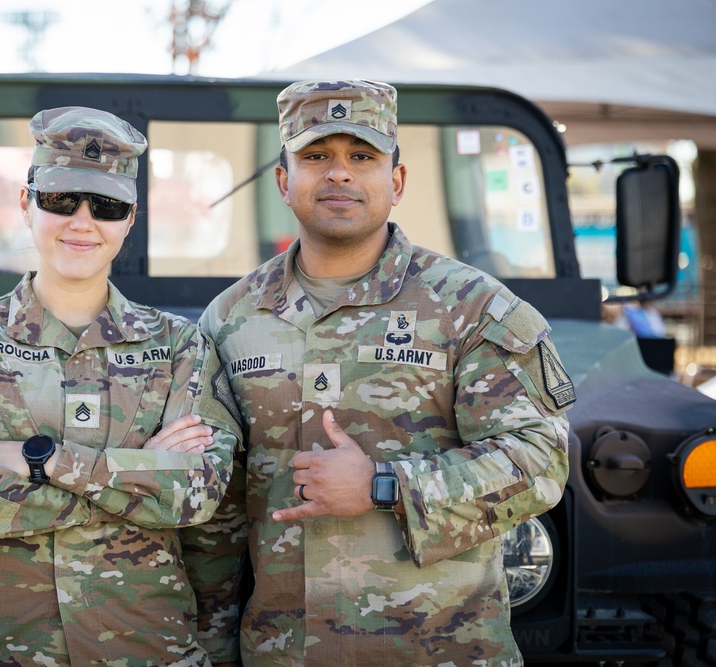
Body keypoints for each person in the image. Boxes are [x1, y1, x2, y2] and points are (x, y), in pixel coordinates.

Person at [187, 80, 574, 665]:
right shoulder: (232, 317)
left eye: (361, 157)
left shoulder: (470, 306)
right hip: (285, 653)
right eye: (316, 156)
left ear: (395, 182)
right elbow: (219, 511)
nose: (338, 174)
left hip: (440, 650)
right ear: (284, 180)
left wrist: (383, 484)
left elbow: (540, 458)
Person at [0, 106, 241, 666]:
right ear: (26, 204)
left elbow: (198, 491)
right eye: (62, 200)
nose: (82, 222)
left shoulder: (182, 345)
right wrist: (138, 471)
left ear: (129, 220)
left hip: (143, 646)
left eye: (106, 206)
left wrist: (43, 459)